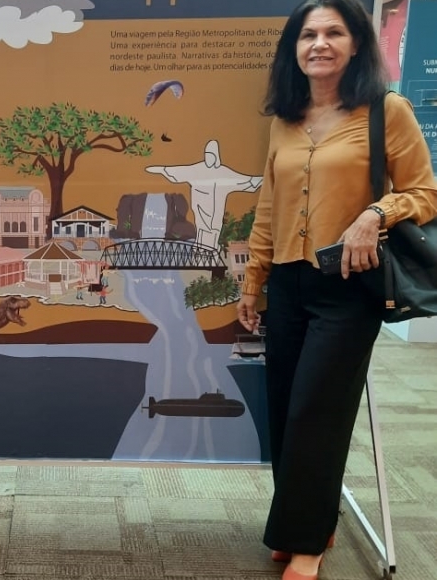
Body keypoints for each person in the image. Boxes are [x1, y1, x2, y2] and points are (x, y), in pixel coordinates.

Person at [236, 1, 437, 579]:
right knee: (284, 408)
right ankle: (305, 523)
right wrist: (254, 281)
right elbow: (269, 206)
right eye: (308, 35)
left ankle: (306, 543)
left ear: (355, 44)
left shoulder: (386, 111)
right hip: (289, 284)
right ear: (294, 49)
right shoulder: (286, 119)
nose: (319, 44)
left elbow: (425, 193)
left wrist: (376, 213)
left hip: (349, 285)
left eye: (333, 32)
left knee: (317, 412)